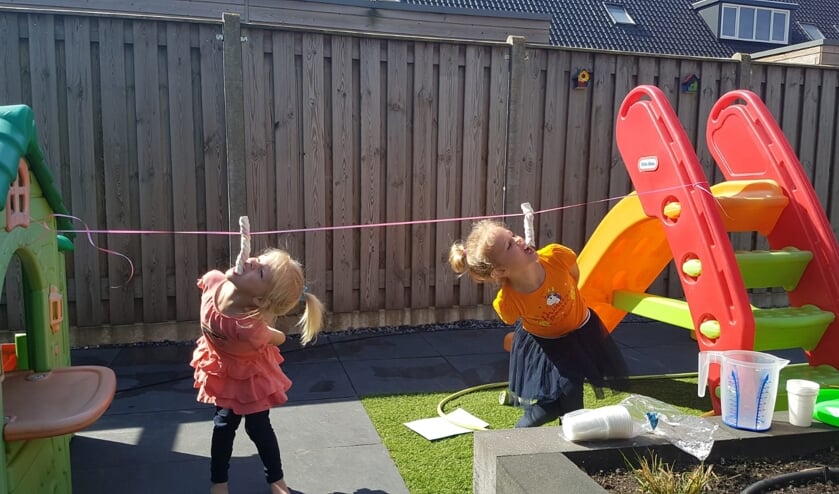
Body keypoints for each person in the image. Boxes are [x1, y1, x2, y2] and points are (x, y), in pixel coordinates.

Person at [449, 220, 628, 428]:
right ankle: (553, 426)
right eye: (509, 245)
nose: (518, 240)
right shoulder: (507, 301)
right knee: (569, 390)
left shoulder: (556, 256)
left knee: (568, 390)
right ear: (500, 271)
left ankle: (550, 423)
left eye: (512, 235)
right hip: (547, 345)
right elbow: (512, 318)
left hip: (580, 330)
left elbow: (575, 276)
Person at [191, 248, 324, 494]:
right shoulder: (212, 281)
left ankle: (276, 480)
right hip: (225, 373)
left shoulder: (250, 329)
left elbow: (279, 337)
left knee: (258, 428)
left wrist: (266, 328)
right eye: (260, 259)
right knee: (223, 426)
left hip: (251, 377)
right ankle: (218, 483)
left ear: (260, 301)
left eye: (260, 271)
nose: (251, 261)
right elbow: (279, 337)